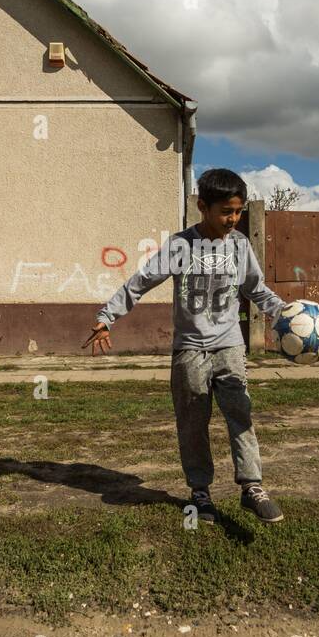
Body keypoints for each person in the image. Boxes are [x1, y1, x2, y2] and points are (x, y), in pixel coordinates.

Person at [83, 168, 287, 524]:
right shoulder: (181, 246)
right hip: (190, 351)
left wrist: (283, 313)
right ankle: (200, 492)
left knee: (240, 414)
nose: (233, 219)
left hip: (230, 348)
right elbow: (141, 282)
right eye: (226, 211)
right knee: (193, 423)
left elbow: (255, 288)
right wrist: (107, 316)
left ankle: (252, 487)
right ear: (202, 207)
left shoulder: (239, 245)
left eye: (238, 212)